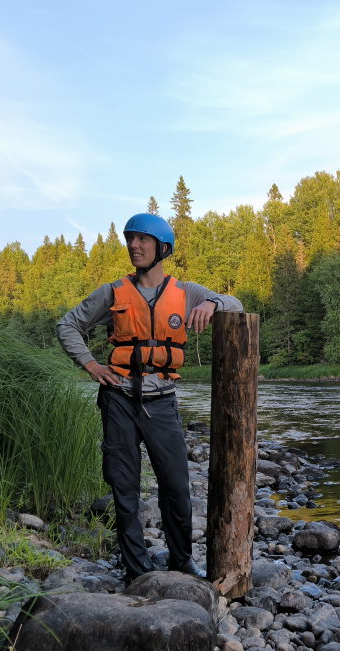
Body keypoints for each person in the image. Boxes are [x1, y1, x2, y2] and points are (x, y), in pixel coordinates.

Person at [57, 213, 243, 584]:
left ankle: (181, 560)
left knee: (175, 486)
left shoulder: (186, 292)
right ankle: (137, 570)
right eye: (130, 239)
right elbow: (68, 325)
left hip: (162, 402)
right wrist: (90, 364)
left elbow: (235, 303)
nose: (134, 246)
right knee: (123, 486)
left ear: (163, 248)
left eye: (142, 239)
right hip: (119, 401)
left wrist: (214, 304)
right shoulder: (113, 292)